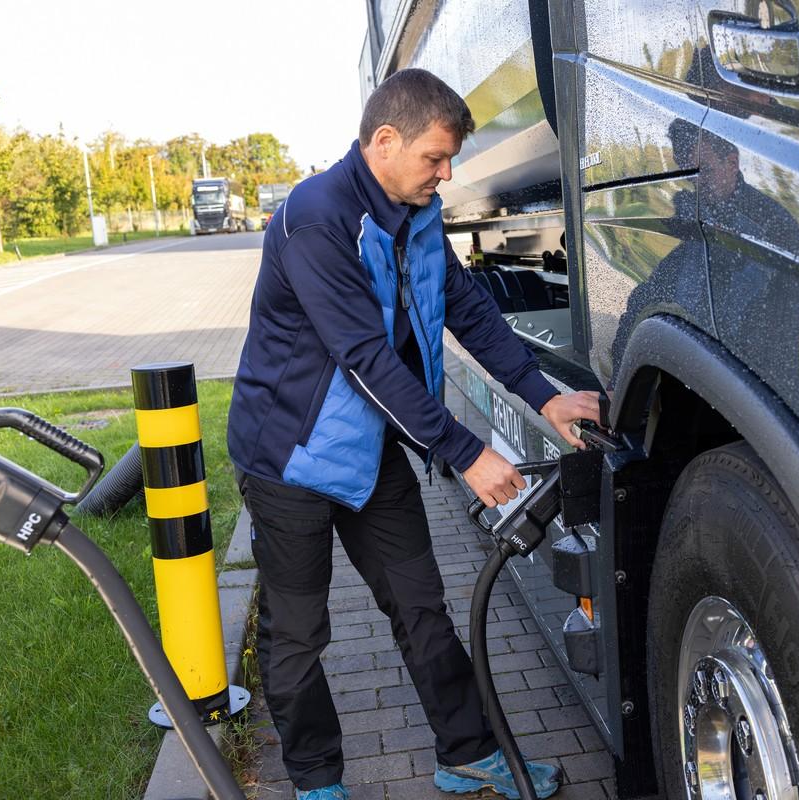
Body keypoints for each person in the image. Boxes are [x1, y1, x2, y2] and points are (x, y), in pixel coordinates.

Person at [227, 68, 601, 800]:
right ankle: (316, 783)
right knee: (300, 634)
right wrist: (464, 452)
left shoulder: (417, 210)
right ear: (385, 141)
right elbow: (363, 357)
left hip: (369, 447)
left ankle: (466, 752)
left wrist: (541, 396)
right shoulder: (318, 217)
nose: (447, 172)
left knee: (421, 604)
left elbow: (466, 306)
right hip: (289, 458)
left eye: (450, 159)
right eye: (435, 157)